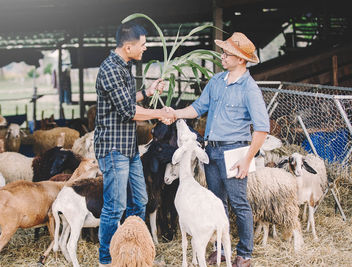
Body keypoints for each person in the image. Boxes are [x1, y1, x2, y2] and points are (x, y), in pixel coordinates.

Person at [172, 32, 270, 267]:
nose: (222, 56)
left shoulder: (249, 88)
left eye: (228, 54)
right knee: (216, 201)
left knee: (239, 202)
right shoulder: (216, 81)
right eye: (224, 52)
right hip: (211, 150)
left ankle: (244, 253)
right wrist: (175, 114)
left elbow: (262, 129)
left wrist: (247, 159)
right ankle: (220, 250)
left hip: (235, 151)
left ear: (241, 60)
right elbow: (197, 108)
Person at [94, 21, 175, 267]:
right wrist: (159, 113)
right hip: (113, 148)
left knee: (139, 201)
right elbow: (128, 110)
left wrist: (147, 92)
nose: (145, 48)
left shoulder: (124, 66)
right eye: (142, 44)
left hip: (128, 148)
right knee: (114, 207)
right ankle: (107, 260)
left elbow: (127, 98)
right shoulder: (109, 68)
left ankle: (134, 255)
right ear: (128, 46)